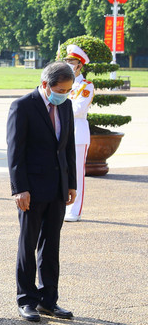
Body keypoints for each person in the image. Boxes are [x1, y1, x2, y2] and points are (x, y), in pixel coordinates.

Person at [7, 62, 77, 322]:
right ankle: (26, 299)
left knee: (51, 244)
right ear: (46, 84)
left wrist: (71, 184)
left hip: (57, 187)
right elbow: (15, 152)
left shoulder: (66, 106)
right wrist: (20, 188)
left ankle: (48, 300)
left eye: (68, 90)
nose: (64, 95)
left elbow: (68, 147)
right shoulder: (23, 106)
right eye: (61, 90)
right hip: (32, 189)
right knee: (28, 244)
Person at [64, 45, 93, 222]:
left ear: (79, 65)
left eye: (71, 61)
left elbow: (78, 109)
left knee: (76, 174)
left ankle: (75, 210)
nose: (68, 64)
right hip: (62, 132)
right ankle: (61, 207)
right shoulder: (62, 83)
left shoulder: (86, 86)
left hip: (78, 133)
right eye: (66, 61)